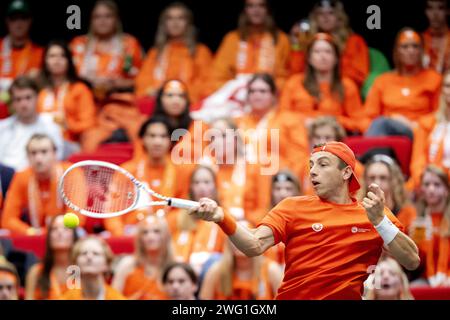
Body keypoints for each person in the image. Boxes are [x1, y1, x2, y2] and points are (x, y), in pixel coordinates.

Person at [189, 141, 420, 299]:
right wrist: (222, 218)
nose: (312, 172)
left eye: (323, 164)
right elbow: (253, 245)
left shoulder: (373, 213)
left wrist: (380, 222)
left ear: (346, 172)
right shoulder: (292, 207)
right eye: (311, 165)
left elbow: (411, 260)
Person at [104, 116, 191, 236]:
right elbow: (112, 211)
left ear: (171, 141)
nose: (157, 142)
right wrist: (121, 236)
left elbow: (185, 212)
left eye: (163, 136)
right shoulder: (127, 171)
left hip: (170, 235)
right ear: (142, 139)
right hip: (131, 235)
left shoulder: (183, 171)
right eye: (152, 136)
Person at [365, 28, 442, 140]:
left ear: (421, 50)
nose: (410, 51)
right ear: (397, 51)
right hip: (387, 132)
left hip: (420, 132)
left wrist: (416, 124)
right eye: (405, 47)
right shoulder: (383, 80)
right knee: (380, 124)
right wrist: (393, 118)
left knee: (381, 123)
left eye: (415, 46)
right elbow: (368, 116)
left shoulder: (434, 78)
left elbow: (440, 113)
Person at [280, 33, 365, 132]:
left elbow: (360, 122)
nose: (322, 56)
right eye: (317, 52)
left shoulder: (346, 85)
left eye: (328, 51)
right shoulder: (294, 82)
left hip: (332, 139)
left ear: (336, 58)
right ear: (309, 58)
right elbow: (282, 115)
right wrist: (304, 121)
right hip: (298, 135)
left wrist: (332, 122)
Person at [235, 73, 309, 181]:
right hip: (243, 180)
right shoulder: (239, 122)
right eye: (252, 91)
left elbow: (299, 158)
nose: (257, 95)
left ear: (274, 95)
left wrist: (289, 182)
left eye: (263, 91)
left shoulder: (289, 120)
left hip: (278, 181)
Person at [1, 134, 79, 235]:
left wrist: (50, 232)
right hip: (33, 232)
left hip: (64, 233)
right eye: (33, 153)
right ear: (27, 157)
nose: (38, 158)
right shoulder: (21, 176)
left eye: (44, 152)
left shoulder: (71, 172)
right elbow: (8, 220)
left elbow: (77, 218)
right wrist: (30, 231)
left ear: (55, 154)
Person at [135, 2, 213, 103]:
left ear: (188, 23)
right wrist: (154, 92)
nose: (175, 23)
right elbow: (142, 81)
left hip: (189, 103)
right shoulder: (156, 52)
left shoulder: (201, 51)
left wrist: (180, 94)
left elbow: (208, 84)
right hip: (158, 104)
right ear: (164, 24)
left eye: (181, 18)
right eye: (170, 18)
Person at [70, 0, 143, 101]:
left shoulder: (129, 44)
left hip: (119, 100)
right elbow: (68, 77)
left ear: (116, 19)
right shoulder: (78, 43)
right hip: (82, 99)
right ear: (91, 20)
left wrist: (116, 83)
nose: (102, 21)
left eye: (108, 16)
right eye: (97, 17)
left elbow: (142, 79)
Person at [289, 0, 369, 88]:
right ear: (315, 18)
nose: (325, 17)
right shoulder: (308, 41)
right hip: (310, 89)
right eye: (320, 13)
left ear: (339, 17)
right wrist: (296, 44)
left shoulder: (354, 41)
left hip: (341, 89)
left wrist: (327, 81)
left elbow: (359, 76)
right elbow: (295, 73)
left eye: (331, 13)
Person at [36, 40, 97, 156]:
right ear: (45, 61)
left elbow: (89, 124)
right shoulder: (39, 90)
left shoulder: (79, 89)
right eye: (52, 56)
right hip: (40, 144)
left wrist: (68, 124)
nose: (57, 60)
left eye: (62, 56)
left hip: (70, 144)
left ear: (69, 61)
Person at [166, 165, 225, 275]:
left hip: (209, 277)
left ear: (215, 187)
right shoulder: (174, 219)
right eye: (196, 183)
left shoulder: (224, 220)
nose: (202, 187)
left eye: (207, 182)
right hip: (177, 278)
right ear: (190, 188)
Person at [199, 222, 283, 300]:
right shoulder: (216, 271)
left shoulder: (271, 270)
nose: (240, 242)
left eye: (245, 237)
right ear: (229, 242)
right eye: (235, 237)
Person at [0, 76, 63, 171]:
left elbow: (57, 158)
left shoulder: (51, 125)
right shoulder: (2, 127)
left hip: (40, 177)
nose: (23, 104)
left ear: (37, 97)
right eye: (18, 99)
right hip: (7, 180)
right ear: (12, 103)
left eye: (28, 97)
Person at [112, 215, 173, 300]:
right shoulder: (127, 265)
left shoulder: (175, 266)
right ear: (140, 238)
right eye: (145, 232)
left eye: (156, 231)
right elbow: (113, 296)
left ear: (166, 236)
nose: (150, 237)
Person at [410, 165, 450, 287]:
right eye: (427, 185)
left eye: (437, 185)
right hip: (426, 279)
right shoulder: (416, 218)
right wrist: (415, 242)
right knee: (412, 289)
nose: (431, 189)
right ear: (421, 189)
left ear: (446, 190)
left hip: (447, 276)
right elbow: (416, 263)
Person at [410, 70, 450, 189]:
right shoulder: (426, 123)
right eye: (448, 86)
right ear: (442, 90)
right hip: (428, 186)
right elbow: (418, 162)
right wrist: (426, 184)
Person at [25, 214, 78, 300]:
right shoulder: (36, 272)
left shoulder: (83, 271)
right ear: (49, 236)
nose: (60, 232)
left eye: (66, 229)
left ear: (74, 236)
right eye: (54, 229)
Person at [361, 155, 417, 232]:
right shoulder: (358, 211)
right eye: (372, 178)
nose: (377, 183)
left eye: (383, 178)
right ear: (365, 181)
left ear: (393, 181)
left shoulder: (407, 213)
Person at [0, 0, 43, 99]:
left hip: (25, 106)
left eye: (23, 18)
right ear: (7, 21)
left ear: (30, 21)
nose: (18, 23)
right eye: (14, 18)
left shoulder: (40, 53)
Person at [61, 236, 125, 300]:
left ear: (107, 263)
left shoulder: (117, 298)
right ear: (75, 263)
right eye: (84, 253)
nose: (89, 257)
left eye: (95, 253)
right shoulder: (66, 298)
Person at [422, 0, 449, 73]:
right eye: (430, 8)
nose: (435, 14)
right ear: (426, 11)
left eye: (440, 8)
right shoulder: (419, 40)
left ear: (448, 11)